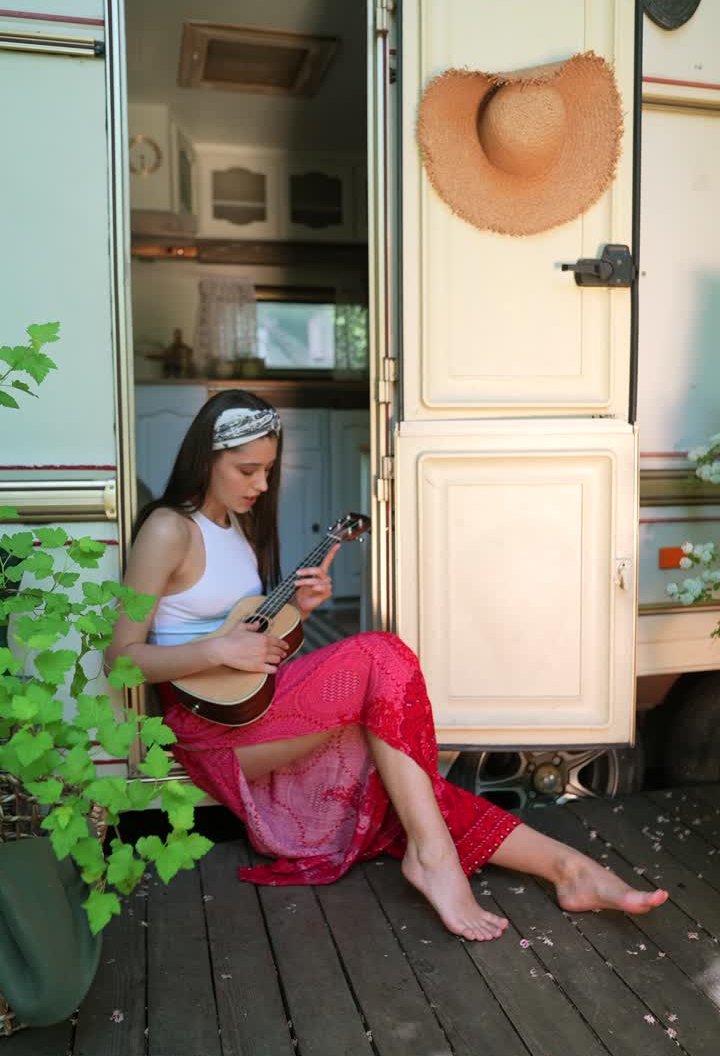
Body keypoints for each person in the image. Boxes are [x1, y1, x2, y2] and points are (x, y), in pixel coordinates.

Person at [108, 390, 668, 942]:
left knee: (405, 779)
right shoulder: (168, 529)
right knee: (382, 654)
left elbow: (251, 668)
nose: (260, 485)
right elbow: (121, 659)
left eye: (269, 472)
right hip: (208, 733)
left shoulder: (238, 527)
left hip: (251, 713)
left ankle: (569, 869)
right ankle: (437, 859)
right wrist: (216, 649)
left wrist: (294, 614)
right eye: (247, 470)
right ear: (206, 458)